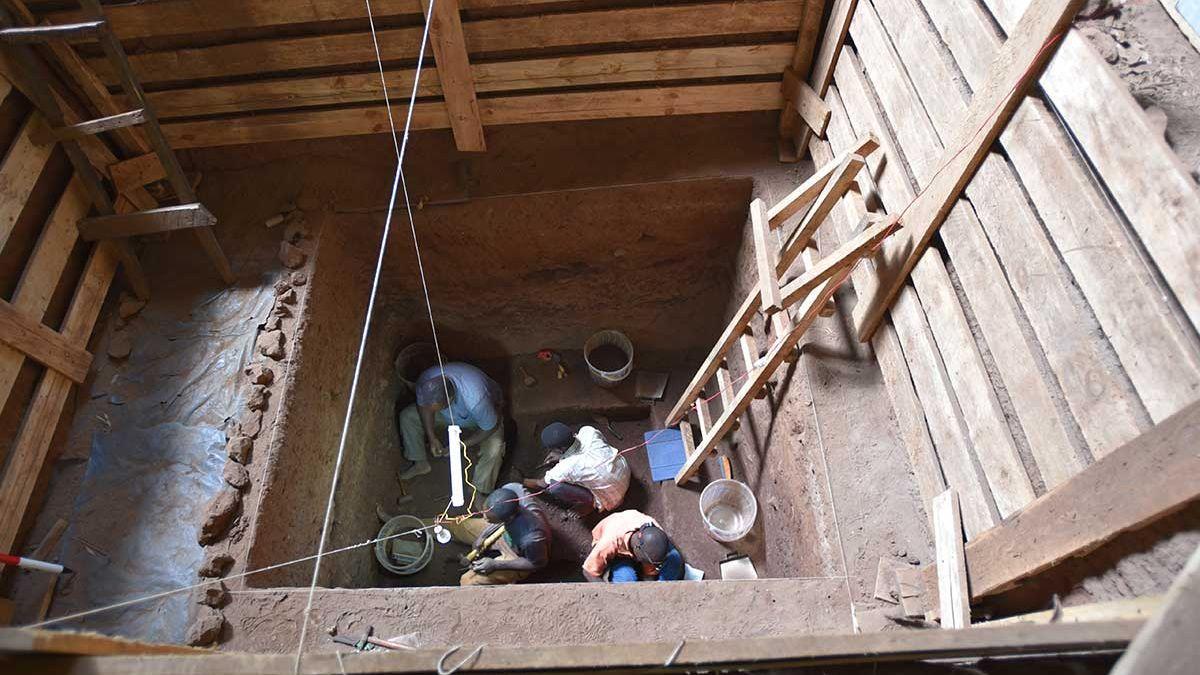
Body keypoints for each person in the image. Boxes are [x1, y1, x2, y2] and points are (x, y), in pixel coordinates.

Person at [397, 362, 506, 493]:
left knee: (494, 449)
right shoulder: (425, 383)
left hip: (480, 417)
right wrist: (432, 437)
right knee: (408, 416)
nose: (431, 411)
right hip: (453, 413)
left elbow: (490, 427)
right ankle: (420, 463)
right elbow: (424, 408)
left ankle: (480, 491)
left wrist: (462, 444)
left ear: (450, 399)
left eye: (437, 408)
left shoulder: (476, 400)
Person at [447, 483, 551, 586]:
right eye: (484, 513)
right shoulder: (511, 490)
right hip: (505, 531)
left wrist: (496, 565)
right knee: (457, 526)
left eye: (489, 518)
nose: (484, 518)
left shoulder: (532, 539)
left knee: (468, 581)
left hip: (518, 554)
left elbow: (537, 563)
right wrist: (483, 535)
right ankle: (433, 528)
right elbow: (501, 519)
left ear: (509, 518)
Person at [523, 422, 629, 516]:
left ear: (559, 449)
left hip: (613, 498)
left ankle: (591, 504)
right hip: (624, 471)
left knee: (555, 487)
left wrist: (521, 480)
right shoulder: (588, 431)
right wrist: (562, 456)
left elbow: (541, 484)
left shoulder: (565, 467)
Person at [581, 509, 683, 582]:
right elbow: (588, 572)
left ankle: (663, 591)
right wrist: (606, 594)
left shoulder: (654, 528)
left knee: (674, 558)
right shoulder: (608, 543)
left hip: (642, 545)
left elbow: (658, 555)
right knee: (627, 579)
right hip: (618, 554)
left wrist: (653, 572)